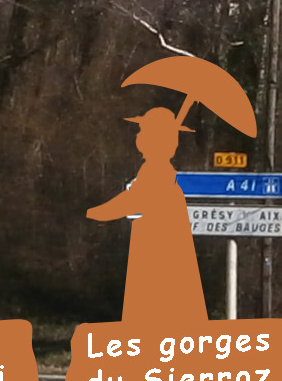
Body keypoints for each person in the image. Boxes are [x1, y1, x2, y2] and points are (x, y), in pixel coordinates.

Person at [85, 106, 207, 327]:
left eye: (143, 132)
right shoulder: (157, 172)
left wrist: (90, 213)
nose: (138, 137)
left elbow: (129, 202)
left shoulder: (156, 173)